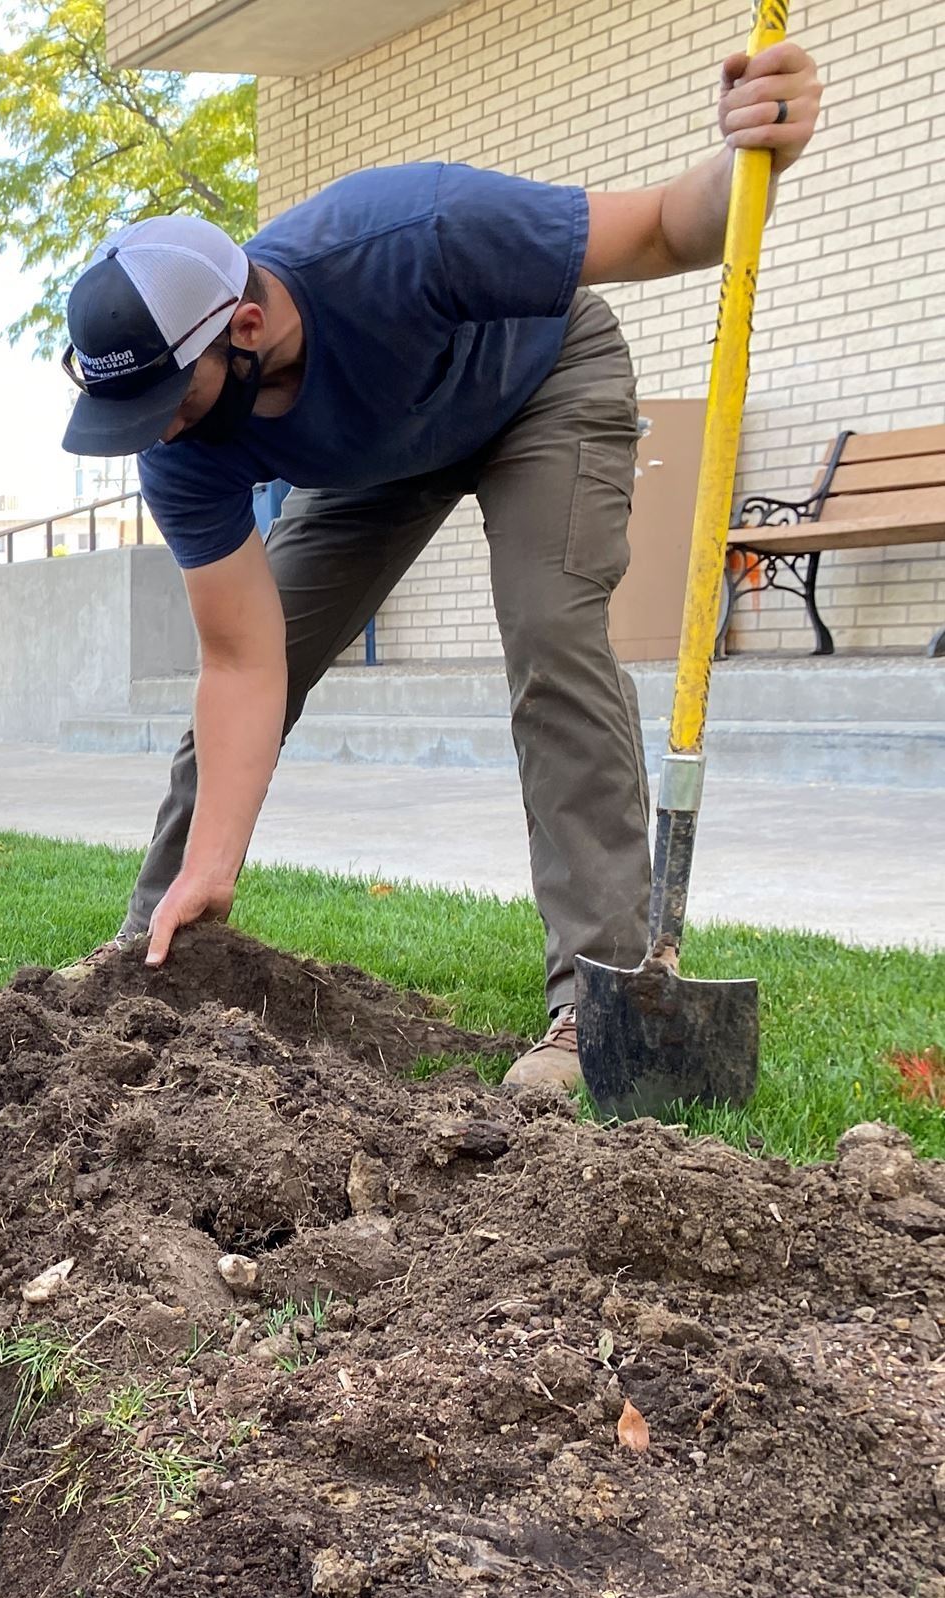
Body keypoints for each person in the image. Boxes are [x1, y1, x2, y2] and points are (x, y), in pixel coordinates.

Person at [57, 37, 821, 1093]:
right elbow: (241, 664)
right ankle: (151, 946)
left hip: (538, 383)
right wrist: (216, 866)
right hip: (374, 461)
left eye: (170, 402)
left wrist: (750, 153)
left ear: (243, 327)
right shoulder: (180, 447)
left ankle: (593, 998)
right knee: (254, 671)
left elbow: (660, 231)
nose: (159, 435)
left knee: (551, 635)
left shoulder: (408, 232)